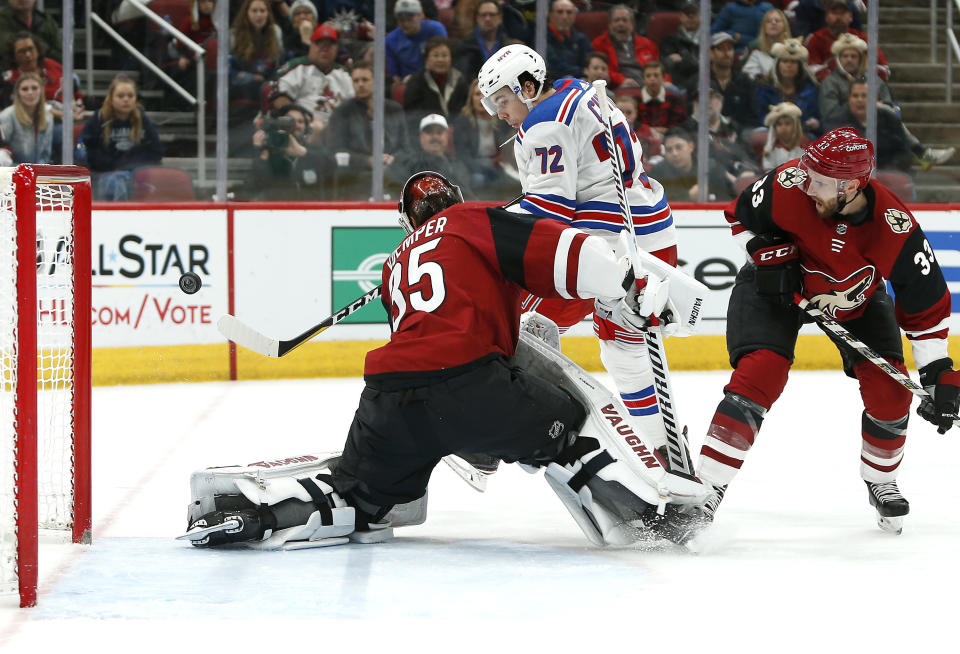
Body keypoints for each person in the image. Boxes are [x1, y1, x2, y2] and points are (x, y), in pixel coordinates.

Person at [180, 172, 709, 551]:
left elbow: (425, 336)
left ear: (407, 221)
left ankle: (257, 513)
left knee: (357, 498)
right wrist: (627, 282)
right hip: (471, 387)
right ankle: (648, 520)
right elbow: (560, 255)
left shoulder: (394, 266)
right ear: (455, 199)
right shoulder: (475, 220)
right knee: (569, 427)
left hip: (388, 400)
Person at [695, 127, 958, 535]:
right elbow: (739, 217)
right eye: (808, 172)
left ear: (851, 186)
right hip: (776, 289)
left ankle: (881, 479)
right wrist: (762, 250)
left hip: (855, 302)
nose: (807, 183)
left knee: (891, 392)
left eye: (819, 181)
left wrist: (938, 373)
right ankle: (705, 490)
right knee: (760, 373)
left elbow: (925, 308)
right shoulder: (789, 183)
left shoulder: (895, 227)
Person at [478, 44, 680, 454]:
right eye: (491, 104)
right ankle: (662, 450)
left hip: (602, 246)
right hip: (652, 231)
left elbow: (549, 211)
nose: (499, 112)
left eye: (502, 99)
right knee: (624, 350)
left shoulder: (543, 122)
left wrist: (483, 226)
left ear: (529, 86)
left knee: (514, 325)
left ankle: (491, 438)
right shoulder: (584, 92)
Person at [824, 80, 955, 174]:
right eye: (855, 96)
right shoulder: (837, 122)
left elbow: (903, 151)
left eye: (865, 96)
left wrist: (890, 169)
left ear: (874, 99)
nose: (859, 100)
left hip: (887, 173)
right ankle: (924, 154)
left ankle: (923, 155)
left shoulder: (888, 117)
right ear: (849, 99)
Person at [327, 62, 408, 200]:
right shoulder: (343, 112)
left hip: (393, 173)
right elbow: (335, 150)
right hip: (356, 175)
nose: (360, 84)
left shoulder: (394, 109)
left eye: (365, 80)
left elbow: (406, 148)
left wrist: (394, 158)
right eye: (356, 81)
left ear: (376, 82)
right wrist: (367, 161)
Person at [79, 75, 164, 201]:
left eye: (130, 96)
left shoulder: (143, 119)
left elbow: (156, 152)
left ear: (135, 98)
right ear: (111, 98)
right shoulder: (99, 119)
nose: (126, 100)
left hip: (136, 174)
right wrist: (116, 166)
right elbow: (90, 152)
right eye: (120, 96)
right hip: (105, 174)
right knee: (117, 181)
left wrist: (130, 166)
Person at [270, 25, 354, 135]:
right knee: (316, 128)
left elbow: (355, 105)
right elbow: (279, 98)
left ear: (337, 49)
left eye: (330, 45)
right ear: (311, 46)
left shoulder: (343, 74)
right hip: (303, 129)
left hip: (338, 131)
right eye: (320, 44)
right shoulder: (297, 67)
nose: (325, 49)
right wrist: (302, 119)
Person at [246, 102, 335, 200]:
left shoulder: (315, 150)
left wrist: (303, 152)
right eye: (289, 121)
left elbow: (334, 169)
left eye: (300, 121)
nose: (295, 125)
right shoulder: (268, 152)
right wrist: (262, 154)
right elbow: (251, 188)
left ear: (306, 128)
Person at [452, 79, 518, 198]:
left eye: (484, 94)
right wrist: (487, 165)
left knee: (515, 184)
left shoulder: (501, 119)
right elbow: (462, 156)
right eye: (477, 94)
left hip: (498, 167)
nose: (481, 98)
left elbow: (507, 149)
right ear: (471, 98)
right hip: (473, 169)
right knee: (479, 179)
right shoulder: (462, 122)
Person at [1, 33, 84, 124]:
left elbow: (74, 91)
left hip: (69, 113)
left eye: (31, 49)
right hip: (39, 122)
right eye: (22, 52)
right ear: (13, 57)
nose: (28, 55)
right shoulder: (11, 78)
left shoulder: (51, 65)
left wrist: (78, 108)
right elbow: (25, 108)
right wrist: (62, 115)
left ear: (37, 50)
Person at [386, 113, 474, 198]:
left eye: (439, 132)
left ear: (447, 136)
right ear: (421, 137)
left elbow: (466, 196)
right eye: (429, 132)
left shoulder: (458, 165)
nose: (435, 136)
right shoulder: (408, 163)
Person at [228, 0, 285, 120]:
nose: (258, 15)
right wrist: (250, 77)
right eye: (254, 11)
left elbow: (279, 64)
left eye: (262, 11)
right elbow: (228, 69)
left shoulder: (276, 32)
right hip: (242, 85)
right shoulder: (234, 35)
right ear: (246, 13)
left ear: (268, 13)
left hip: (267, 82)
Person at [806, 0, 888, 82]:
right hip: (829, 89)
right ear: (826, 17)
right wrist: (839, 81)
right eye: (834, 13)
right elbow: (812, 69)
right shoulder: (816, 39)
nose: (838, 17)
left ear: (851, 17)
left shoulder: (863, 39)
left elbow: (883, 69)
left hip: (862, 88)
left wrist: (859, 78)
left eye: (843, 13)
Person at [649, 127, 738, 202]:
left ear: (691, 146)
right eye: (669, 150)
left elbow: (729, 196)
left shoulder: (710, 167)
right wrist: (688, 196)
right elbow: (654, 201)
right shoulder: (658, 172)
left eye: (679, 147)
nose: (674, 153)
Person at [754, 38, 821, 137]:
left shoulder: (810, 90)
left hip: (802, 134)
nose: (789, 65)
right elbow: (760, 116)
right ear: (777, 65)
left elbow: (817, 116)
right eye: (785, 61)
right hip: (771, 133)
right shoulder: (765, 89)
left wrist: (816, 123)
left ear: (800, 67)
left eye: (793, 62)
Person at [696, 32, 760, 131]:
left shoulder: (745, 81)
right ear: (710, 53)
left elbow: (753, 116)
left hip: (740, 135)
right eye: (721, 49)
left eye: (729, 49)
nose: (726, 53)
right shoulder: (699, 82)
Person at [402, 36, 469, 130]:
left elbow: (466, 110)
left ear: (451, 59)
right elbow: (411, 114)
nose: (440, 60)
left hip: (457, 132)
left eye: (444, 55)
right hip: (427, 131)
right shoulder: (416, 81)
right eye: (435, 55)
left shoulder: (460, 80)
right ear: (427, 59)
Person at [589, 4, 656, 89]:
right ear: (610, 24)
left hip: (648, 85)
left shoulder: (647, 44)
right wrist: (621, 80)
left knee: (671, 89)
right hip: (618, 87)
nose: (621, 24)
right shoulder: (599, 44)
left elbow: (657, 67)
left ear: (632, 24)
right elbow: (600, 70)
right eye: (617, 20)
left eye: (625, 20)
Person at [386, 0, 448, 84]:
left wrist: (419, 78)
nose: (405, 23)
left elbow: (443, 59)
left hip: (435, 78)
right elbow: (394, 75)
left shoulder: (436, 29)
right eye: (401, 19)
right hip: (407, 83)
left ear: (420, 15)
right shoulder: (391, 40)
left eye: (410, 18)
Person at [0, 72, 54, 164]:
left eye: (34, 88)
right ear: (18, 93)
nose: (30, 92)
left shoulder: (48, 116)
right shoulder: (6, 116)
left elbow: (45, 155)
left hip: (38, 172)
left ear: (41, 90)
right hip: (12, 172)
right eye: (25, 89)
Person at [452, 0, 507, 80]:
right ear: (477, 18)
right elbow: (463, 76)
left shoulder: (509, 45)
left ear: (500, 18)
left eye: (492, 15)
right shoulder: (464, 47)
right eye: (483, 15)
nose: (487, 19)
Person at [0, 0, 61, 69]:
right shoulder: (2, 21)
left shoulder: (46, 21)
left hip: (45, 73)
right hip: (10, 73)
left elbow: (60, 54)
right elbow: (7, 49)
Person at [636, 61, 687, 140]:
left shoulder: (674, 99)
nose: (652, 79)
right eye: (648, 76)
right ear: (643, 79)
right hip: (643, 141)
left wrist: (668, 132)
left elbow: (681, 124)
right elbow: (634, 125)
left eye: (656, 75)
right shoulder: (636, 100)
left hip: (670, 139)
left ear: (663, 78)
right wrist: (649, 131)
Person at [740, 8, 792, 81]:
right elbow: (747, 76)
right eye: (768, 21)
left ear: (784, 25)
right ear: (764, 27)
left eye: (777, 20)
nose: (773, 23)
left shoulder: (793, 48)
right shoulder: (754, 47)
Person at [545, 0, 592, 80]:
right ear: (550, 15)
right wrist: (582, 71)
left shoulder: (582, 39)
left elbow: (591, 60)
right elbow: (552, 66)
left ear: (574, 16)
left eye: (569, 12)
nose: (564, 17)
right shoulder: (540, 38)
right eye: (560, 12)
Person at [659, 1, 701, 91]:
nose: (690, 16)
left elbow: (710, 67)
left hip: (703, 85)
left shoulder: (709, 41)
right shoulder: (668, 41)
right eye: (687, 13)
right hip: (678, 85)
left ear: (700, 16)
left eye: (694, 13)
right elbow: (666, 66)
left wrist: (683, 60)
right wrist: (696, 62)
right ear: (681, 17)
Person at [711, 0, 775, 55]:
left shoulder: (767, 7)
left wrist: (742, 38)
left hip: (764, 51)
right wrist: (733, 35)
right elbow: (714, 31)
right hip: (738, 52)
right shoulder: (730, 8)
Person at [759, 101, 808, 170]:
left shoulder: (804, 145)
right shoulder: (771, 148)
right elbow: (768, 169)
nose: (783, 127)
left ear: (795, 126)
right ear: (774, 128)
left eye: (787, 123)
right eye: (779, 124)